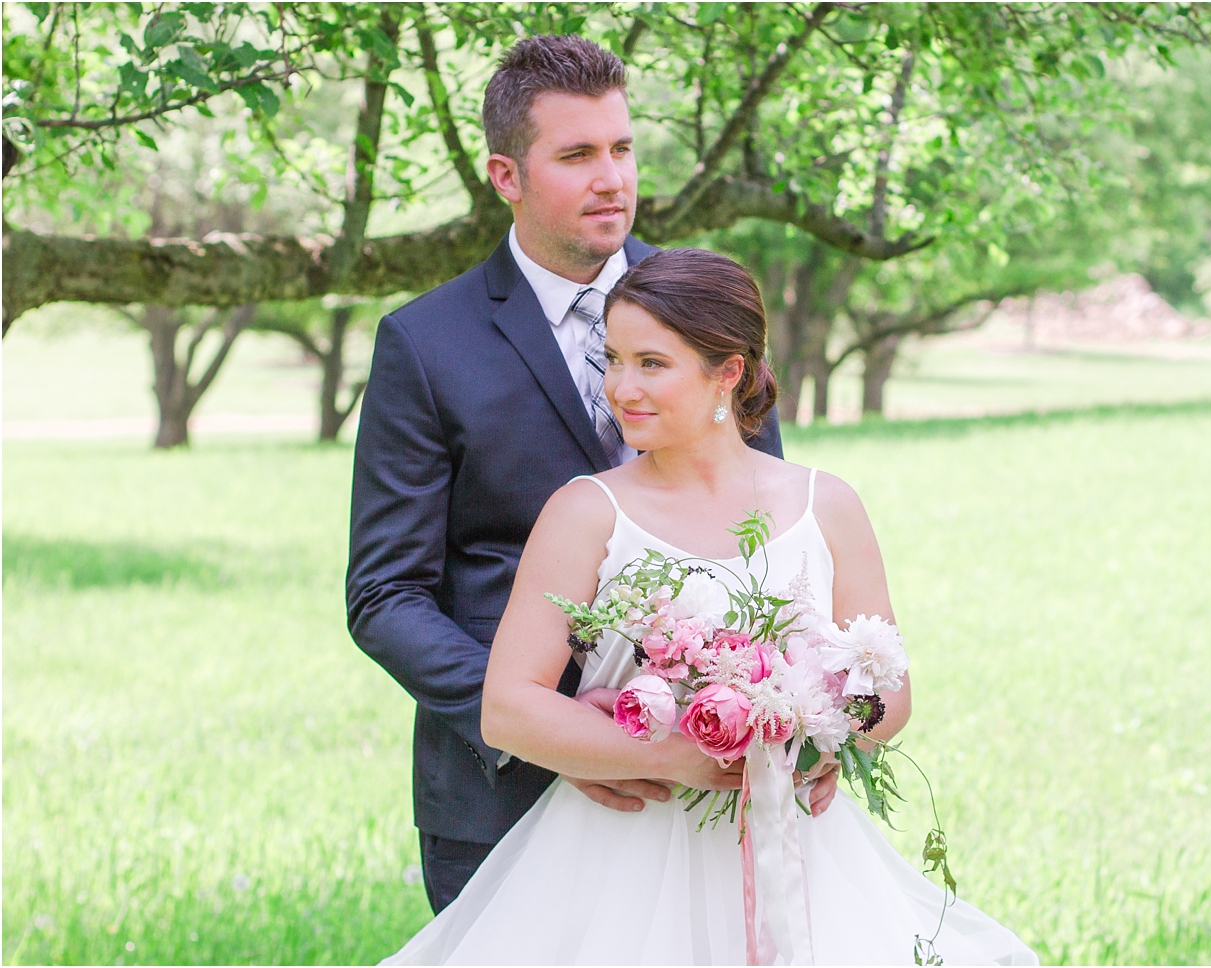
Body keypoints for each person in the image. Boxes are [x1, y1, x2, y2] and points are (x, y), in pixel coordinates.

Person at [381, 248, 1037, 965]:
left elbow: (889, 693)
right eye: (613, 359)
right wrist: (673, 756)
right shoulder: (584, 512)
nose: (620, 387)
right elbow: (509, 706)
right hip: (624, 854)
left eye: (651, 364)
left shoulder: (827, 505)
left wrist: (818, 739)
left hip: (796, 843)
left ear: (727, 371)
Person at [345, 35, 785, 916]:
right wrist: (556, 732)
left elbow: (771, 530)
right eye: (577, 155)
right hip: (503, 792)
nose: (611, 178)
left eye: (621, 148)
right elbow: (385, 595)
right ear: (505, 176)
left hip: (711, 772)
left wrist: (780, 720)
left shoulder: (709, 311)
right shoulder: (425, 346)